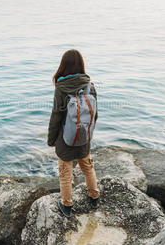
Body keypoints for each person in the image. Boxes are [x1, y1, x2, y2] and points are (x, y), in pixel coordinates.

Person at [48, 49, 99, 218]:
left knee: (65, 173)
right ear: (81, 65)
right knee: (88, 168)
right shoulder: (89, 85)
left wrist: (51, 139)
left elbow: (56, 116)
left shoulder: (61, 88)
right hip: (84, 137)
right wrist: (88, 134)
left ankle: (67, 206)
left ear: (63, 66)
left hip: (65, 139)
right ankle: (94, 196)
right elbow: (95, 114)